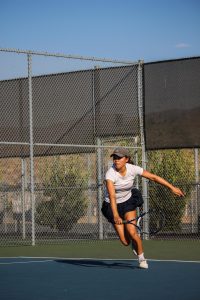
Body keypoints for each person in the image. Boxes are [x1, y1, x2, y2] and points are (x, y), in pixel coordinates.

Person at [101, 147, 184, 269]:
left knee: (133, 232)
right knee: (125, 242)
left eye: (119, 158)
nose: (116, 160)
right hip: (112, 206)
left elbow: (153, 177)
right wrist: (116, 215)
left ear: (127, 159)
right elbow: (112, 196)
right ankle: (132, 244)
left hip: (128, 202)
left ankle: (142, 259)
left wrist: (171, 187)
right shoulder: (110, 174)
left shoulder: (133, 169)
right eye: (115, 158)